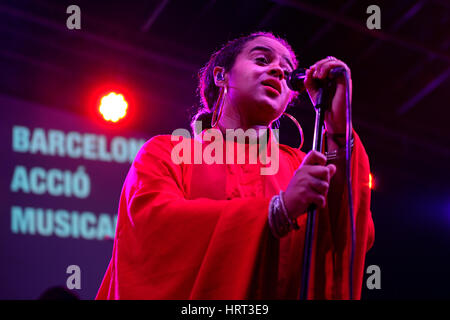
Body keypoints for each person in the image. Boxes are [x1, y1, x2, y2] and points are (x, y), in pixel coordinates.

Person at [96, 31, 374, 300]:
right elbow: (152, 226)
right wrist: (276, 211)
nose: (278, 71)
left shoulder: (302, 166)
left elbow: (347, 232)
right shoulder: (167, 152)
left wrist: (339, 130)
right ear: (221, 75)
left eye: (287, 71)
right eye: (262, 60)